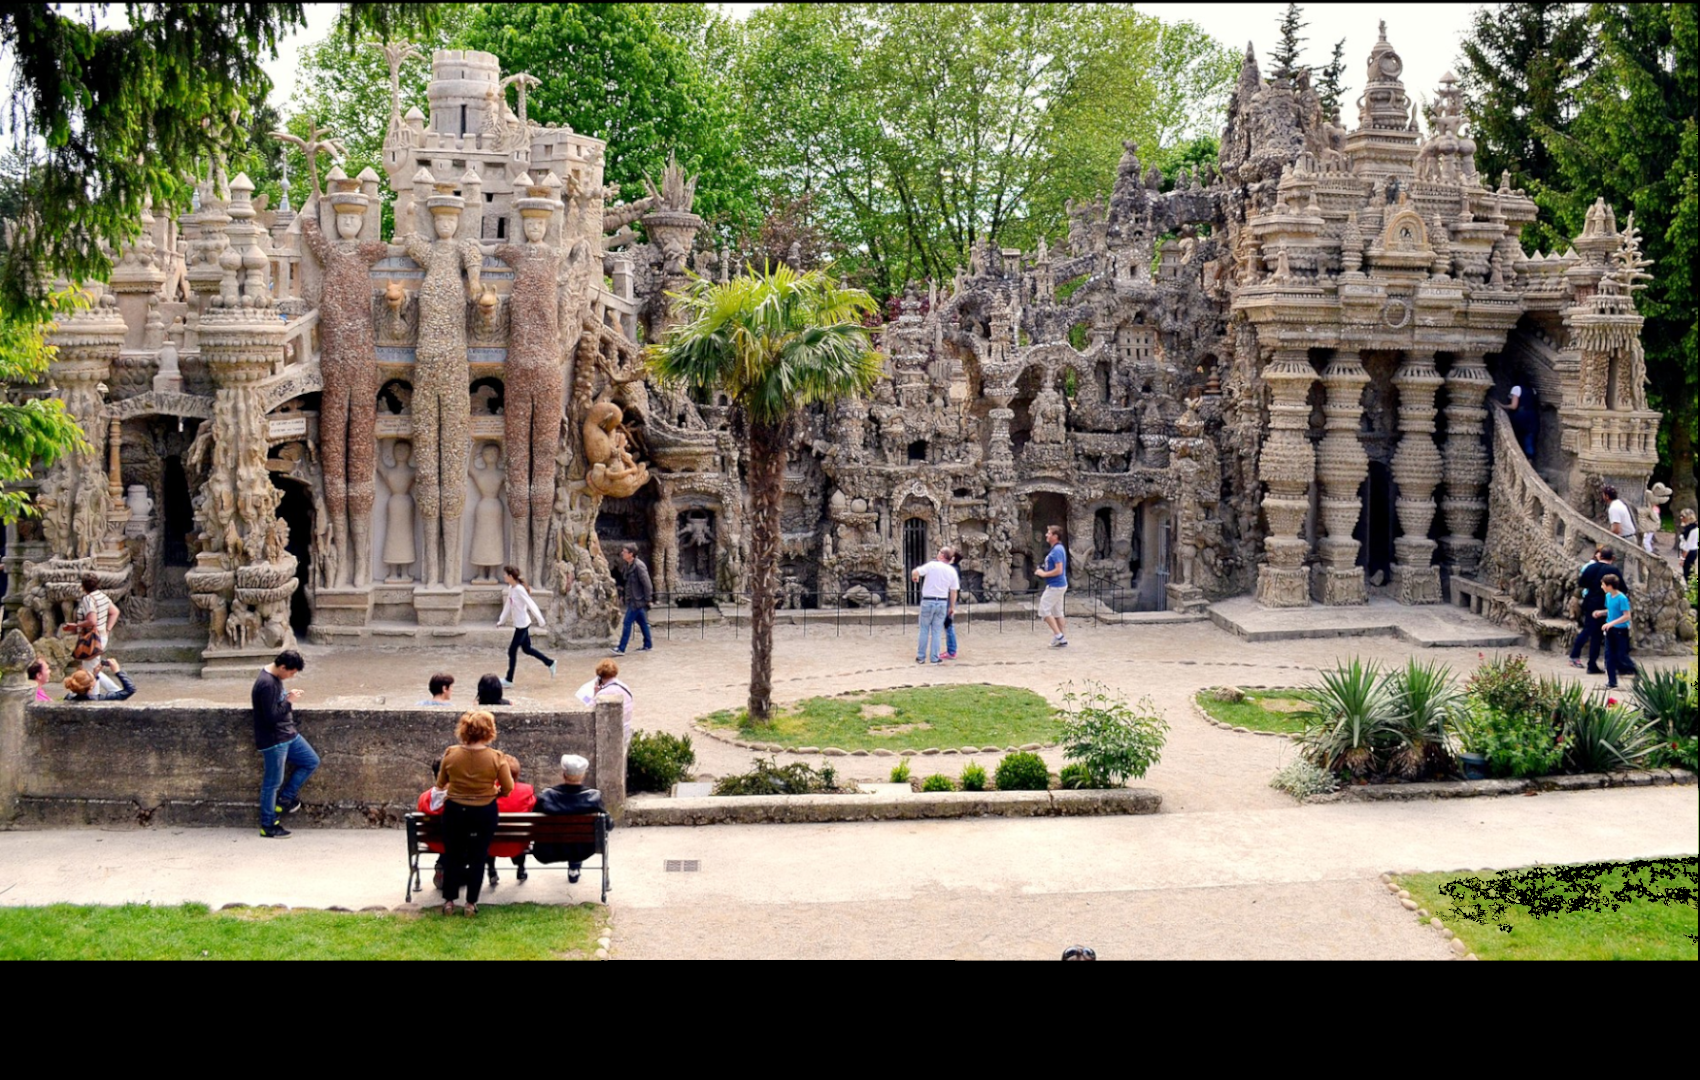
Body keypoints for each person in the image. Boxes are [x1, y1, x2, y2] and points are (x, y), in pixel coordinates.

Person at [432, 709, 513, 917]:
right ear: (489, 732)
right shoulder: (496, 758)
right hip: (484, 811)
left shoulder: (451, 754)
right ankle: (470, 903)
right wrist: (495, 792)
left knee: (453, 855)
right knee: (479, 856)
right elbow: (508, 787)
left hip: (455, 810)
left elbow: (440, 784)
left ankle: (449, 902)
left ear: (464, 730)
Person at [252, 649, 317, 840]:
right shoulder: (266, 684)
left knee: (311, 761)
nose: (291, 676)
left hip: (288, 734)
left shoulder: (274, 679)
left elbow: (274, 706)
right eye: (291, 672)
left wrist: (286, 697)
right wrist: (289, 701)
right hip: (274, 740)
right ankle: (268, 825)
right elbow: (271, 717)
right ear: (282, 667)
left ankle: (285, 799)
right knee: (272, 784)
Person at [532, 754, 610, 884]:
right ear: (583, 775)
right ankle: (574, 867)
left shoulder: (546, 796)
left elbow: (533, 823)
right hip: (583, 849)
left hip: (550, 849)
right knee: (576, 838)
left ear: (564, 774)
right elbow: (608, 825)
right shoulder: (594, 798)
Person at [496, 565, 554, 687]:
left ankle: (509, 679)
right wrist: (501, 620)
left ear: (511, 576)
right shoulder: (512, 589)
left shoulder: (519, 590)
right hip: (520, 624)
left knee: (512, 651)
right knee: (527, 649)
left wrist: (540, 620)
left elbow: (530, 604)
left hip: (522, 625)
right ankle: (550, 663)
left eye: (505, 574)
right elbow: (508, 605)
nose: (504, 576)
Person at [486, 753, 537, 888]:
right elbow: (533, 806)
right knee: (520, 833)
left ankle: (491, 871)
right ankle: (521, 869)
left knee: (487, 835)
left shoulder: (487, 791)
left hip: (491, 846)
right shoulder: (526, 790)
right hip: (517, 845)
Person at [1569, 546, 1618, 674]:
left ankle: (1583, 660)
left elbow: (1581, 583)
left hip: (1590, 602)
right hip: (1607, 604)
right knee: (1598, 634)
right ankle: (1591, 662)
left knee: (1590, 630)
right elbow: (1622, 588)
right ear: (1612, 558)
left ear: (1599, 556)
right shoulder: (1614, 570)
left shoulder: (1590, 568)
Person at [909, 545, 959, 664]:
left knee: (924, 629)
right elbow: (953, 591)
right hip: (942, 602)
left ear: (942, 555)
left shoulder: (932, 565)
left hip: (928, 600)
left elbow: (915, 571)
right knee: (937, 631)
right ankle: (934, 658)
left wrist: (915, 577)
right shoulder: (952, 571)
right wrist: (951, 607)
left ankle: (921, 657)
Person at [65, 573, 120, 671]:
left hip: (92, 639)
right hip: (102, 636)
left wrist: (76, 625)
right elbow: (114, 612)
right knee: (93, 668)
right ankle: (113, 687)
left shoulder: (88, 599)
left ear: (83, 586)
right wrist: (107, 630)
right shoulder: (102, 596)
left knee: (90, 672)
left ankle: (101, 686)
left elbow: (92, 621)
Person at [575, 658, 634, 748]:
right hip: (625, 729)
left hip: (614, 735)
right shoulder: (624, 686)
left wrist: (596, 693)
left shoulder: (604, 693)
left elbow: (590, 712)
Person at [1596, 574, 1638, 689]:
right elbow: (1610, 610)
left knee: (1621, 656)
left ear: (1609, 586)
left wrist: (1612, 623)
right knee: (1609, 656)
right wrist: (1601, 613)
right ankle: (1612, 681)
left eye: (1603, 585)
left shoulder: (1622, 598)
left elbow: (1626, 616)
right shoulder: (1608, 596)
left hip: (1621, 631)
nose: (1602, 587)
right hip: (1610, 630)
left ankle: (1637, 672)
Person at [614, 543, 654, 655]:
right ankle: (648, 644)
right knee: (642, 623)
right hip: (632, 598)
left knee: (627, 623)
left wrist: (647, 599)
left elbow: (647, 584)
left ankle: (621, 648)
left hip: (637, 600)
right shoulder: (628, 565)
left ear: (631, 554)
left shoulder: (639, 566)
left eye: (625, 551)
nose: (622, 553)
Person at [1036, 524, 1069, 647]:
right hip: (1059, 584)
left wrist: (1044, 574)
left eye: (1049, 533)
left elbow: (1059, 570)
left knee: (1044, 610)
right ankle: (1061, 637)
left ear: (1055, 536)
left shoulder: (1056, 551)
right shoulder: (1058, 549)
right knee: (1057, 612)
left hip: (1055, 585)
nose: (1046, 535)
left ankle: (1059, 635)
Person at [62, 657, 136, 701]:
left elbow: (85, 686)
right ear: (92, 686)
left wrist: (95, 674)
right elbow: (130, 689)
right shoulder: (100, 699)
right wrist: (118, 671)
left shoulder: (68, 698)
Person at [1496, 383, 1537, 458]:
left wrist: (1502, 405)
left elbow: (1514, 406)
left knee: (1517, 438)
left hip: (1520, 416)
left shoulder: (1516, 388)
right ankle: (1530, 460)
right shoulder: (1532, 390)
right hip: (1532, 416)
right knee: (1529, 439)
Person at [942, 549, 963, 660]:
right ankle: (951, 650)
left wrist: (952, 606)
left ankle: (951, 651)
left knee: (948, 625)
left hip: (949, 600)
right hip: (950, 600)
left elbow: (952, 589)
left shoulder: (952, 569)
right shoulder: (956, 568)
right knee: (948, 625)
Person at [1679, 508, 1698, 582]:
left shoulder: (1690, 530)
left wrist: (1682, 558)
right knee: (1690, 572)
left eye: (1683, 516)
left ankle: (1691, 589)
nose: (1681, 518)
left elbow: (1687, 546)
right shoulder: (1692, 527)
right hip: (1692, 551)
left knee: (1687, 573)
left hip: (1689, 552)